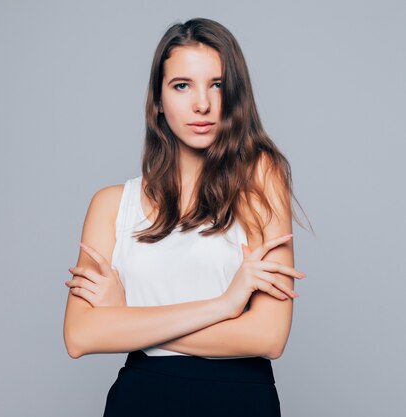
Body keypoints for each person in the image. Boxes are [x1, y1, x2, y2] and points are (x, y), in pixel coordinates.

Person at [62, 17, 308, 417]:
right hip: (142, 398)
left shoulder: (261, 179)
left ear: (235, 94)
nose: (202, 104)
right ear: (157, 100)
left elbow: (268, 336)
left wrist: (128, 320)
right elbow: (79, 336)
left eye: (216, 85)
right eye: (182, 85)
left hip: (239, 400)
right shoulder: (111, 205)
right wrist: (226, 304)